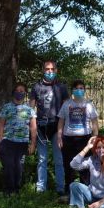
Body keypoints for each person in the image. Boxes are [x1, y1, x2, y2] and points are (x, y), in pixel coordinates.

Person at [29, 60, 69, 195]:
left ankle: (60, 188)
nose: (50, 72)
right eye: (47, 69)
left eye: (52, 69)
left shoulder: (61, 87)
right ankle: (41, 188)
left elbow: (66, 110)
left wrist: (62, 130)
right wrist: (32, 128)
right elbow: (31, 110)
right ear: (43, 70)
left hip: (57, 128)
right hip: (41, 127)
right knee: (42, 159)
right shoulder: (36, 87)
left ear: (56, 70)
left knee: (59, 159)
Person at [57, 79, 99, 195]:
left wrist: (95, 138)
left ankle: (85, 192)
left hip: (85, 140)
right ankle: (68, 192)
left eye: (81, 88)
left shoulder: (89, 105)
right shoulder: (67, 104)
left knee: (85, 168)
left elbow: (95, 122)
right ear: (73, 90)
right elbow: (61, 121)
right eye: (76, 88)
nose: (79, 90)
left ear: (84, 90)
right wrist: (59, 137)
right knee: (68, 166)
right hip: (68, 140)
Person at [0, 83, 37, 194]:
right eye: (17, 90)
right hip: (7, 142)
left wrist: (33, 144)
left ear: (25, 93)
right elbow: (1, 125)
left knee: (18, 167)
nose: (20, 93)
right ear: (13, 92)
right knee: (8, 166)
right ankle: (8, 190)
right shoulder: (6, 107)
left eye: (22, 91)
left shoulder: (29, 110)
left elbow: (33, 128)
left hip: (22, 143)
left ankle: (16, 189)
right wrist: (0, 141)